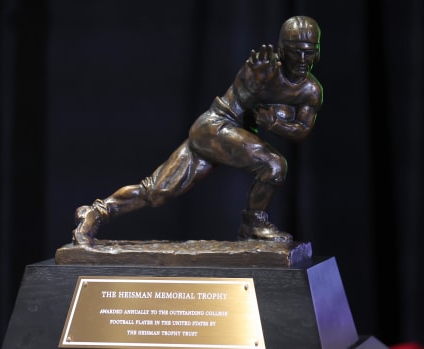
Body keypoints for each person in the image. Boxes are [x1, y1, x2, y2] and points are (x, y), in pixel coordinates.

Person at [72, 15, 323, 246]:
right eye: (295, 52)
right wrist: (253, 86)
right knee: (274, 166)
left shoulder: (311, 91)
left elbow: (301, 129)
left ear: (317, 53)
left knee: (157, 191)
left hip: (222, 135)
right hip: (215, 127)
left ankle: (97, 212)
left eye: (308, 53)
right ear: (282, 50)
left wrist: (274, 123)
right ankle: (252, 224)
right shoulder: (263, 71)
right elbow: (240, 96)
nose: (302, 60)